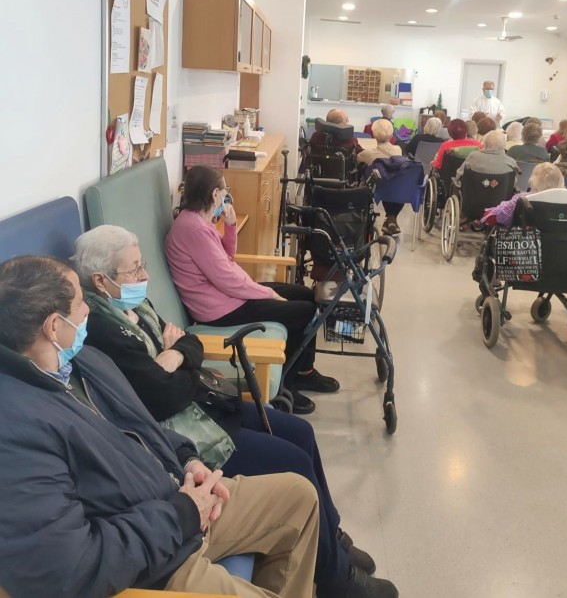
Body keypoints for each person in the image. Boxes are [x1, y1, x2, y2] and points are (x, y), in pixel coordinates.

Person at [72, 225, 395, 598]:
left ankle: (332, 538)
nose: (145, 275)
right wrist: (181, 358)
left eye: (142, 264)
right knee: (293, 461)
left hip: (203, 402)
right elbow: (161, 397)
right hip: (185, 427)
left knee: (302, 433)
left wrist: (175, 355)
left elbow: (188, 342)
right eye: (134, 269)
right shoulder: (100, 329)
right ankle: (337, 578)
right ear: (101, 280)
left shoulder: (134, 305)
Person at [0, 255, 320, 598]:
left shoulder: (84, 362)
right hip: (155, 563)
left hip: (176, 501)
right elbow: (69, 570)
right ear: (53, 327)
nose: (88, 310)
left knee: (300, 497)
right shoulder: (16, 430)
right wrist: (182, 514)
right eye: (80, 303)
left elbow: (143, 426)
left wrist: (186, 459)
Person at [165, 165, 336, 416]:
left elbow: (227, 259)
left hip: (227, 297)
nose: (226, 195)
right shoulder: (193, 228)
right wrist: (269, 294)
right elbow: (226, 279)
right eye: (224, 190)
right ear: (215, 194)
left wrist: (230, 226)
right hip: (220, 309)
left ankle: (304, 371)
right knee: (305, 310)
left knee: (305, 294)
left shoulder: (198, 221)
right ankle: (287, 384)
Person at [482, 162, 565, 227]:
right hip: (557, 242)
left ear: (535, 179)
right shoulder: (566, 200)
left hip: (527, 240)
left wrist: (488, 213)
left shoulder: (523, 199)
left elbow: (491, 217)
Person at [357, 119, 403, 236]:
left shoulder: (368, 153)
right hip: (397, 187)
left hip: (377, 188)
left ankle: (390, 219)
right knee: (390, 183)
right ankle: (391, 218)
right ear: (391, 135)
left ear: (373, 134)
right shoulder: (398, 149)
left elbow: (357, 160)